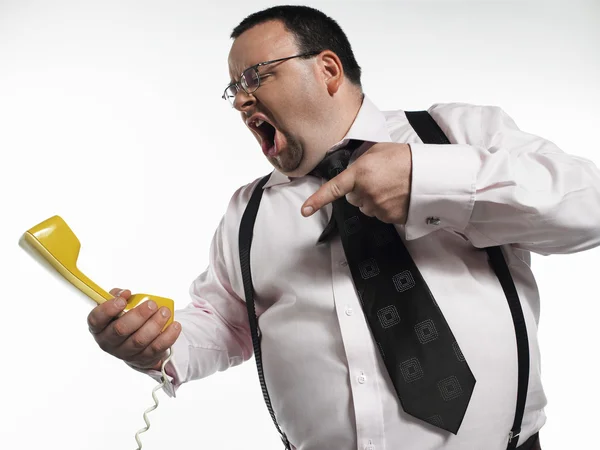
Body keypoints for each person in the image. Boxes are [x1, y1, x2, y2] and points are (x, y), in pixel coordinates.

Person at [86, 5, 600, 450]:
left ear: (328, 69)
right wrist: (159, 343)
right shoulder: (248, 211)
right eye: (233, 89)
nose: (241, 101)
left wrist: (429, 181)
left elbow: (587, 208)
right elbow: (224, 322)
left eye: (254, 78)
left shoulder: (455, 134)